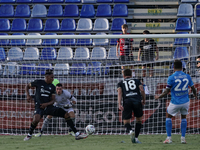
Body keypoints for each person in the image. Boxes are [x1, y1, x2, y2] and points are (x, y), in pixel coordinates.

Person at [24, 69, 87, 141]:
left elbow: (53, 100)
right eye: (52, 77)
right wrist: (28, 95)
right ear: (47, 77)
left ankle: (77, 134)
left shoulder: (53, 87)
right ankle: (29, 135)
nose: (53, 79)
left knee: (66, 114)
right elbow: (27, 86)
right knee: (36, 120)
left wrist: (46, 104)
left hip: (48, 107)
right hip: (39, 107)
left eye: (53, 77)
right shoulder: (38, 82)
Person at [155, 60, 197, 144]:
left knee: (168, 116)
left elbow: (167, 91)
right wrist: (195, 95)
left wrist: (159, 96)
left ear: (173, 67)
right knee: (184, 118)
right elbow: (193, 88)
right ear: (182, 67)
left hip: (175, 102)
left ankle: (169, 138)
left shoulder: (171, 77)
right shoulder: (187, 76)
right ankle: (183, 138)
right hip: (185, 101)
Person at [117, 69, 146, 143]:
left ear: (123, 75)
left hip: (127, 102)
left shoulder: (120, 83)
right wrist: (144, 100)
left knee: (126, 121)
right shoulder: (137, 81)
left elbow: (119, 93)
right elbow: (142, 90)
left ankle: (130, 131)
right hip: (137, 101)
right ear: (132, 75)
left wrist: (119, 104)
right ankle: (136, 138)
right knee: (139, 120)